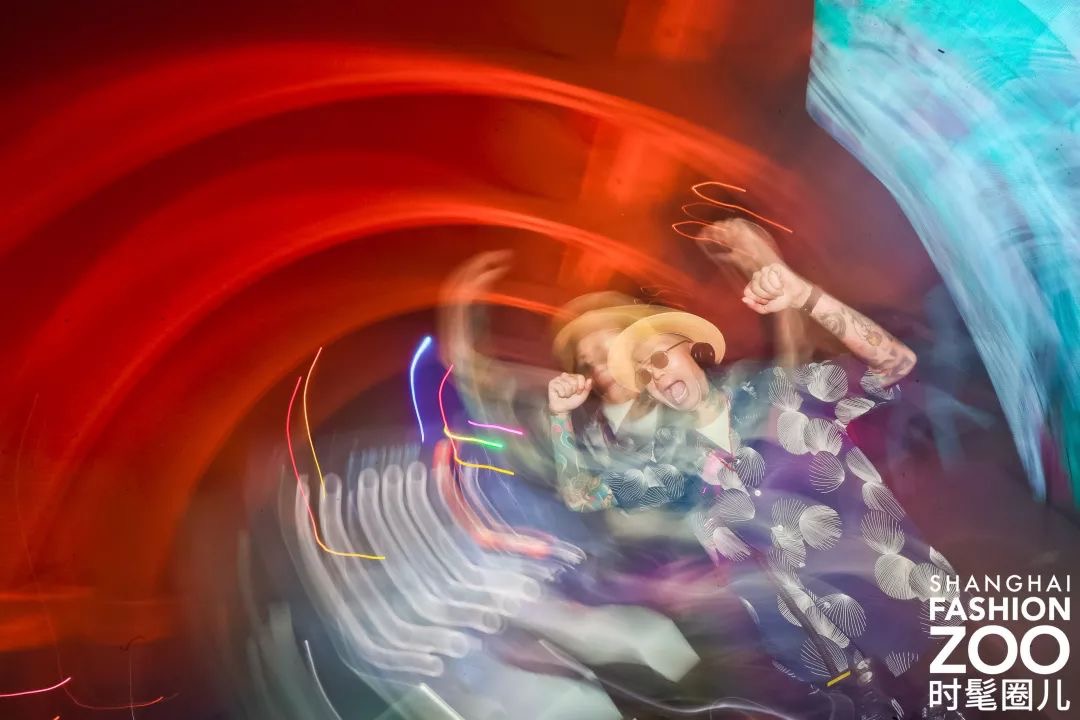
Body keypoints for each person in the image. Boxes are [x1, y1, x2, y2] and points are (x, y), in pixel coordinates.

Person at [598, 235, 960, 717]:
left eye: (660, 358)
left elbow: (896, 365)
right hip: (824, 662)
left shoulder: (780, 392)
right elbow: (589, 495)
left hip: (907, 609)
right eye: (643, 375)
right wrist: (564, 418)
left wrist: (805, 295)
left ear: (691, 348)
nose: (656, 376)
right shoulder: (672, 467)